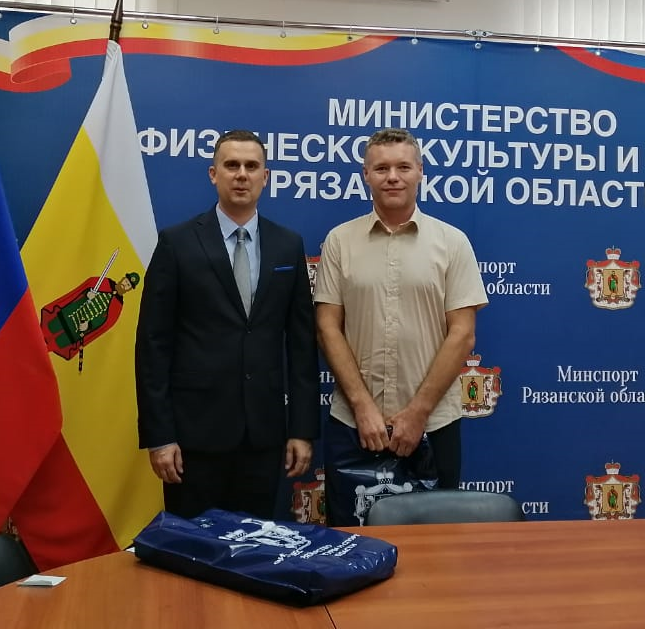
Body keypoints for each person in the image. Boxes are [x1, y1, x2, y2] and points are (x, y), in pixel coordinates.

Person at [135, 129, 320, 520]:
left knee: (256, 549)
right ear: (213, 174)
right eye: (231, 165)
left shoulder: (287, 245)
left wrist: (302, 430)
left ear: (265, 177)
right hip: (192, 439)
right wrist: (160, 436)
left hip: (263, 439)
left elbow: (302, 345)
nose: (241, 175)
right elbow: (153, 346)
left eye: (251, 166)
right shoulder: (177, 243)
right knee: (192, 548)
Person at [314, 128, 488, 526]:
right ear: (366, 175)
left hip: (434, 425)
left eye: (403, 167)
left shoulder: (453, 242)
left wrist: (417, 413)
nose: (392, 177)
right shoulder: (339, 241)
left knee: (436, 549)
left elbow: (463, 334)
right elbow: (327, 327)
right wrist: (362, 406)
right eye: (381, 168)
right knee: (352, 545)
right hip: (354, 425)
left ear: (420, 172)